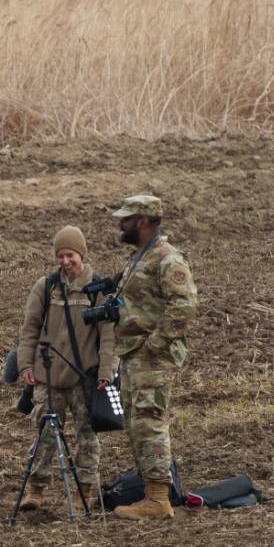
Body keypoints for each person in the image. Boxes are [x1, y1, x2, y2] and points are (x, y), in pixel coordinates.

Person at [107, 195, 198, 520]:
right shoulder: (141, 257)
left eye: (127, 219)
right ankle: (151, 493)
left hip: (151, 357)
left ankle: (158, 499)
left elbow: (183, 307)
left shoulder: (167, 259)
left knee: (149, 422)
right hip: (135, 354)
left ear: (143, 221)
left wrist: (154, 344)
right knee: (136, 423)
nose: (121, 224)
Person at [14, 226, 116, 511]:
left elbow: (110, 336)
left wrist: (107, 372)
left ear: (81, 254)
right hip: (48, 376)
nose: (65, 261)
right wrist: (25, 365)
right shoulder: (45, 287)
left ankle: (85, 493)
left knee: (88, 437)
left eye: (70, 255)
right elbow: (29, 329)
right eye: (60, 256)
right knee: (45, 434)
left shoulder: (98, 288)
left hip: (85, 379)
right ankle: (36, 490)